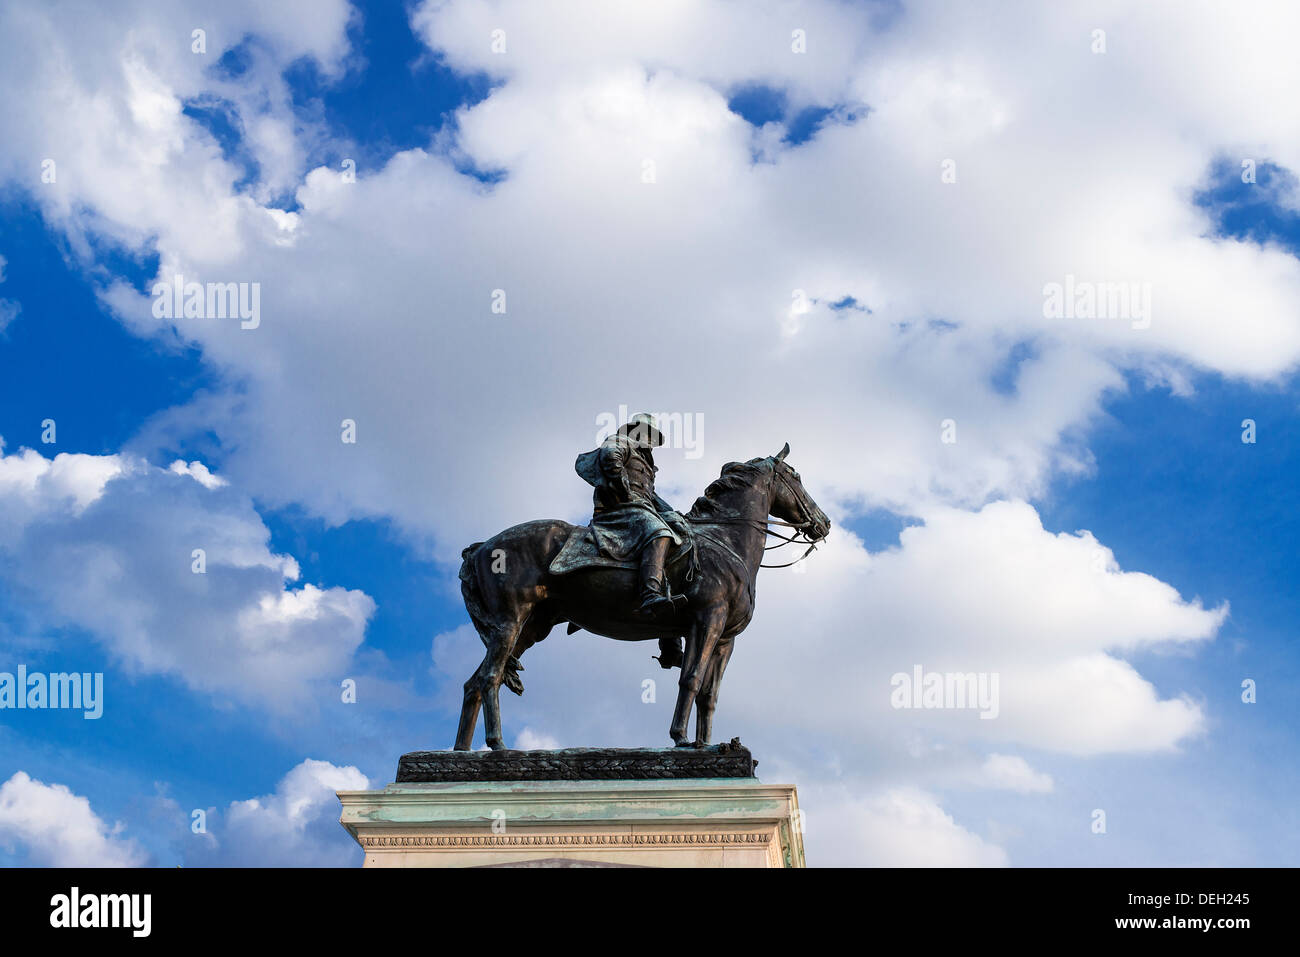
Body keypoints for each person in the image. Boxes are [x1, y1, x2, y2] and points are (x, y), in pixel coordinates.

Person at [574, 413, 689, 619]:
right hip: (618, 510)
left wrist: (676, 515)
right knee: (661, 532)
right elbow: (610, 457)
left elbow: (652, 497)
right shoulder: (620, 441)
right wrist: (624, 490)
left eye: (654, 437)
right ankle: (650, 594)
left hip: (640, 510)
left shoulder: (647, 466)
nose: (652, 441)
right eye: (649, 434)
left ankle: (670, 643)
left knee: (681, 537)